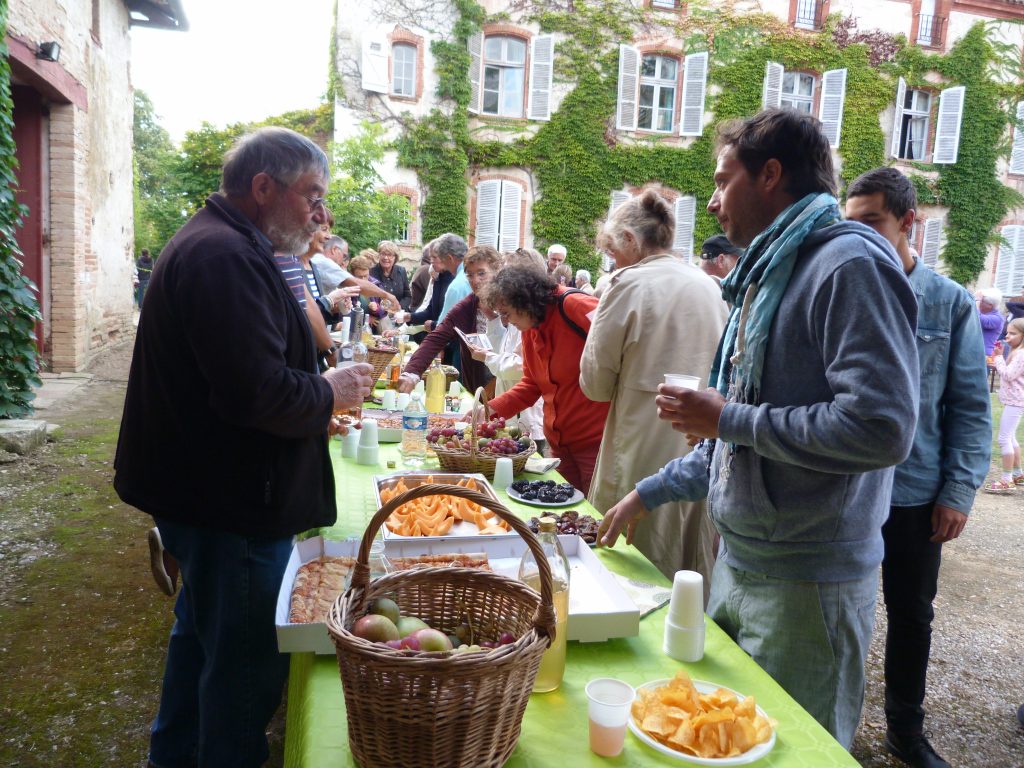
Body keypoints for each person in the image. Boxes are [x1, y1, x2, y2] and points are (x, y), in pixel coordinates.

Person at [596, 109, 920, 748]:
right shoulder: (769, 271)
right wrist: (648, 492)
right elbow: (735, 440)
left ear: (770, 175)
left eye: (722, 181)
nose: (713, 202)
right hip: (741, 564)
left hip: (809, 583)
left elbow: (882, 428)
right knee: (720, 745)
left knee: (796, 753)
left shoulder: (849, 263)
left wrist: (728, 417)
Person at [113, 126, 374, 768]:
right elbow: (255, 394)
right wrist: (328, 392)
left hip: (212, 495)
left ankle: (172, 758)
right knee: (244, 670)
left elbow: (241, 378)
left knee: (204, 643)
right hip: (231, 505)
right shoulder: (223, 256)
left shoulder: (227, 244)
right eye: (311, 195)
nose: (321, 213)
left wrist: (314, 395)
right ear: (263, 188)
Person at [846, 167, 991, 768]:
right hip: (847, 489)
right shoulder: (844, 288)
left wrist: (957, 489)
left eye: (873, 223)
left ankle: (905, 731)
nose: (860, 239)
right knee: (841, 612)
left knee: (911, 615)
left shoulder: (949, 302)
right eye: (850, 225)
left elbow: (967, 404)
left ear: (910, 223)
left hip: (912, 491)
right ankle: (830, 724)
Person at [581, 189, 726, 589]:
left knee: (629, 560)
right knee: (688, 554)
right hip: (701, 445)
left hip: (639, 440)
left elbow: (593, 384)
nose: (613, 261)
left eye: (614, 251)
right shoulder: (710, 285)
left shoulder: (627, 283)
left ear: (630, 240)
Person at [483, 266, 610, 493]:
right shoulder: (530, 325)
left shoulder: (574, 305)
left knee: (595, 516)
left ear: (525, 301)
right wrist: (487, 410)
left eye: (507, 313)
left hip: (596, 442)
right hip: (560, 445)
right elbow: (532, 384)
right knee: (566, 513)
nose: (505, 321)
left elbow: (621, 345)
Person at [397, 245, 501, 394]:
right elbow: (436, 338)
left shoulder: (511, 303)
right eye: (470, 275)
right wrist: (411, 373)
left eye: (481, 273)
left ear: (496, 272)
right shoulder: (467, 306)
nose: (475, 280)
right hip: (480, 387)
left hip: (512, 384)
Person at [471, 248, 547, 451]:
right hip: (511, 411)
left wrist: (487, 358)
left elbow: (520, 366)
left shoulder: (532, 318)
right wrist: (493, 319)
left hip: (529, 417)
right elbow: (503, 350)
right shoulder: (515, 312)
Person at [984, 318, 1024, 493]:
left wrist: (999, 358)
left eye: (1013, 333)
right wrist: (998, 358)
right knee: (1011, 437)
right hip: (1013, 401)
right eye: (1007, 332)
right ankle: (1018, 474)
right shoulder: (1016, 352)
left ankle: (1006, 480)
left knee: (1003, 438)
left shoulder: (1021, 355)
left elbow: (1008, 375)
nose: (1008, 336)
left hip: (1016, 401)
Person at [370, 240, 412, 310]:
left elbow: (407, 296)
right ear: (379, 255)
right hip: (378, 314)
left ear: (395, 257)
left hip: (398, 314)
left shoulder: (401, 271)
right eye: (383, 254)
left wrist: (399, 307)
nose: (386, 257)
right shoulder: (371, 272)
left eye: (389, 255)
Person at [977, 288, 1004, 355]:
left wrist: (977, 301)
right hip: (976, 352)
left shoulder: (997, 318)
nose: (979, 303)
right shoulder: (984, 313)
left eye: (981, 301)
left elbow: (977, 318)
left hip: (983, 355)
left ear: (990, 305)